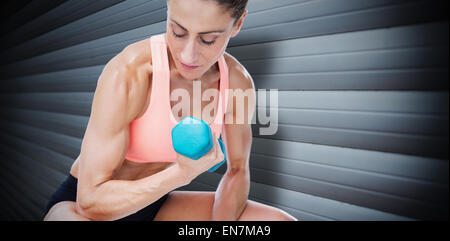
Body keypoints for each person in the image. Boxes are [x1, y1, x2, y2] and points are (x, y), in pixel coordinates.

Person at [43, 0, 297, 221]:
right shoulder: (131, 71)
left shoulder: (238, 83)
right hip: (80, 209)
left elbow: (237, 169)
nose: (188, 55)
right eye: (177, 31)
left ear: (238, 24)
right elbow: (90, 202)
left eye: (208, 39)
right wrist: (181, 174)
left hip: (156, 207)